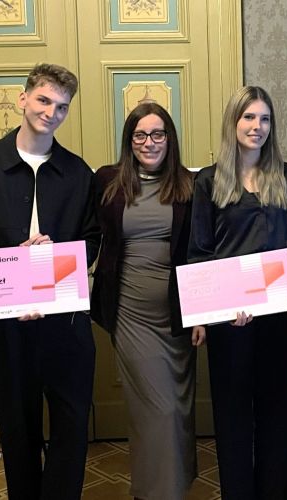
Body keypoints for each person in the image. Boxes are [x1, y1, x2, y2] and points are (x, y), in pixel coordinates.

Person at [0, 63, 100, 499]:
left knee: (72, 427)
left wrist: (51, 259)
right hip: (6, 324)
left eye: (62, 107)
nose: (51, 113)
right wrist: (18, 267)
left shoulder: (79, 173)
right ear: (23, 99)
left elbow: (91, 240)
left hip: (65, 324)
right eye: (43, 100)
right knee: (17, 430)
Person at [188, 86, 287, 500]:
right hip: (228, 318)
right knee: (233, 415)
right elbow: (199, 251)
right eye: (249, 117)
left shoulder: (286, 176)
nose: (257, 126)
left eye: (265, 119)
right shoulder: (207, 180)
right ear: (233, 122)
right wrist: (205, 314)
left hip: (276, 314)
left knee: (276, 413)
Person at [91, 102, 204, 499]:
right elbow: (86, 235)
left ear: (169, 139)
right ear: (129, 140)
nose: (149, 142)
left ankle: (173, 485)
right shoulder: (108, 181)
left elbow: (199, 252)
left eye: (158, 134)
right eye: (140, 135)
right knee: (157, 409)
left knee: (179, 409)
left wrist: (202, 314)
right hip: (129, 313)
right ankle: (155, 492)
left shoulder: (191, 185)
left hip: (177, 314)